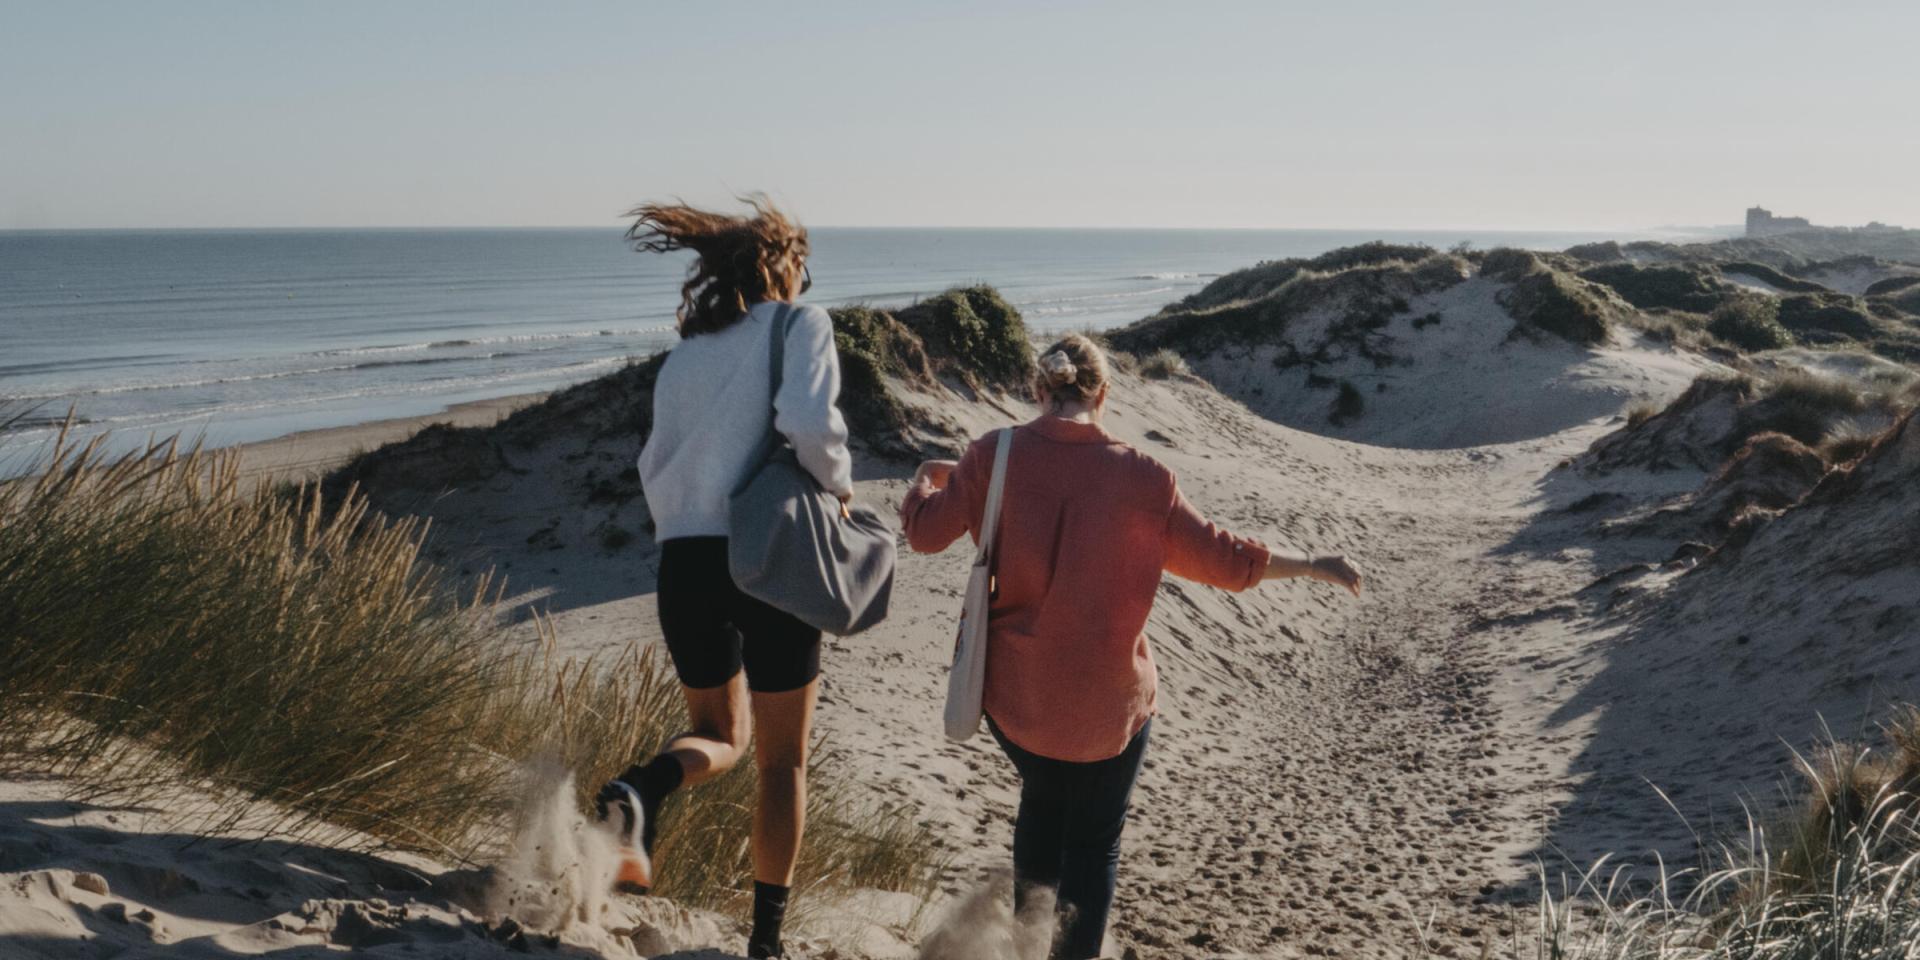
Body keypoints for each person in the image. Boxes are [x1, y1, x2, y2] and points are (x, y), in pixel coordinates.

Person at [899, 335, 1363, 959]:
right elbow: (1225, 561)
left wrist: (924, 484)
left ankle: (1025, 943)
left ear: (1038, 391)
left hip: (1020, 704)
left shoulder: (991, 456)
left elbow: (926, 536)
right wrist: (1311, 563)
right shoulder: (1145, 478)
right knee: (1092, 842)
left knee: (1043, 801)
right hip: (1106, 708)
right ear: (1104, 393)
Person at [597, 196, 851, 960]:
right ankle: (765, 943)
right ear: (785, 265)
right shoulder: (800, 323)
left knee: (716, 735)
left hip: (685, 558)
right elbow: (810, 423)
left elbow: (656, 465)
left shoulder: (684, 356)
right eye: (802, 266)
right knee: (782, 762)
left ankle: (641, 788)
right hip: (767, 554)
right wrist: (838, 488)